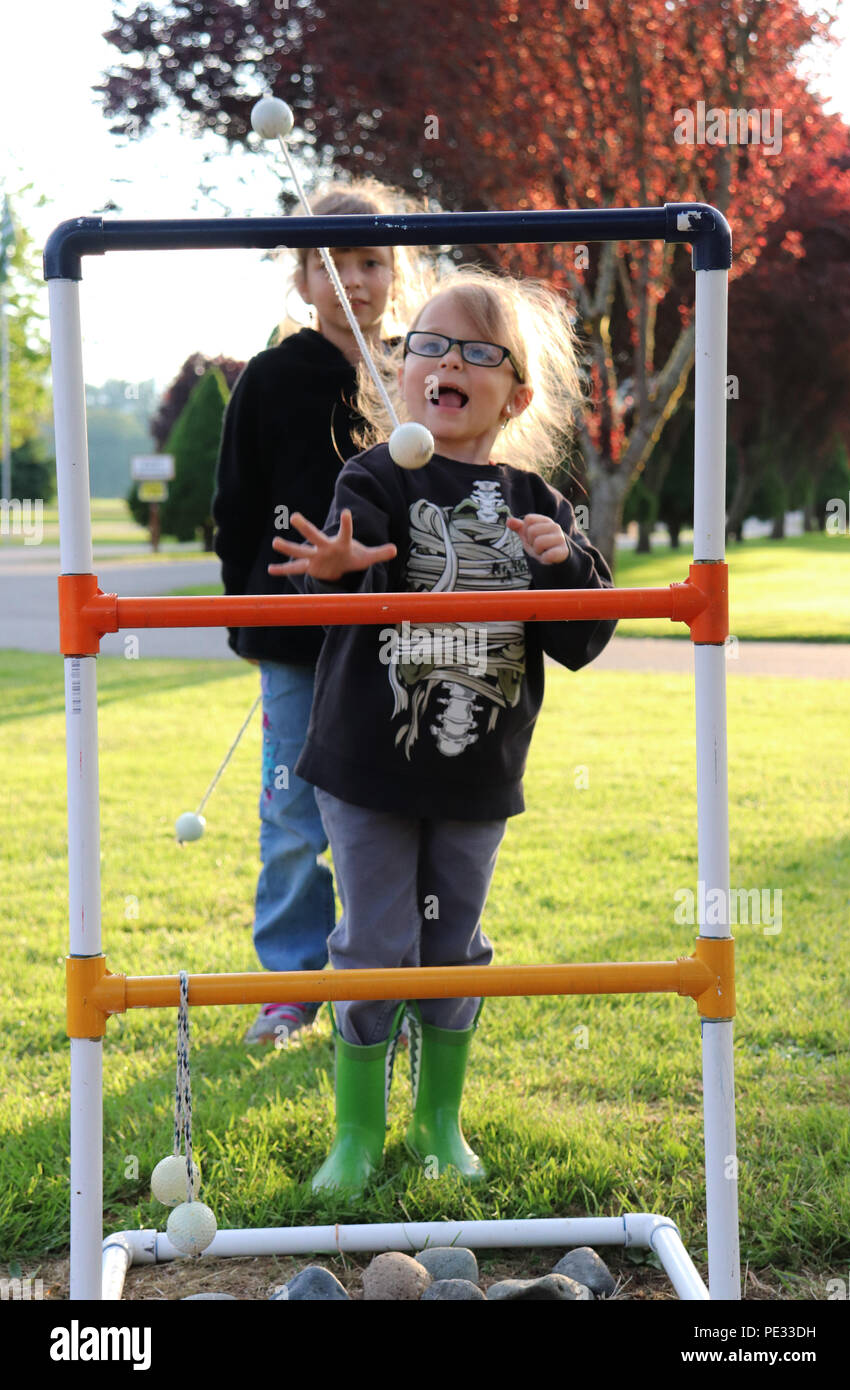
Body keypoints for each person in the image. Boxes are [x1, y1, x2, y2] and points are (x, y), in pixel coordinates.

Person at [267, 265, 618, 1193]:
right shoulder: (374, 473)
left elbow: (584, 638)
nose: (444, 362)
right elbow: (342, 566)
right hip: (368, 765)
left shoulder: (538, 504)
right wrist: (338, 566)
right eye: (426, 344)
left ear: (517, 393)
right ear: (402, 366)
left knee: (452, 948)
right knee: (377, 947)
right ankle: (354, 1135)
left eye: (475, 352)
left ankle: (437, 1125)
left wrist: (565, 566)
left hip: (475, 774)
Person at [212, 178, 433, 1045]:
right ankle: (290, 986)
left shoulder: (420, 374)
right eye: (331, 263)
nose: (354, 280)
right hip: (296, 646)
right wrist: (256, 619)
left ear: (397, 273)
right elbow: (236, 510)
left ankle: (382, 984)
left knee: (386, 814)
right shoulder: (269, 379)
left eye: (371, 261)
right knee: (293, 815)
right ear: (301, 279)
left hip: (396, 641)